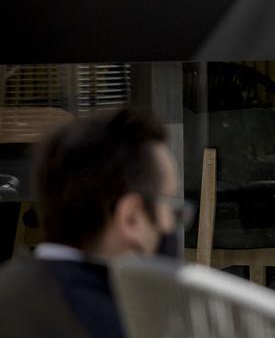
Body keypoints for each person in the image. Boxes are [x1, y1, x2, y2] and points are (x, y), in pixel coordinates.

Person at [0, 109, 185, 338]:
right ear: (131, 217)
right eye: (170, 208)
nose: (172, 224)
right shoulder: (118, 324)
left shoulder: (10, 289)